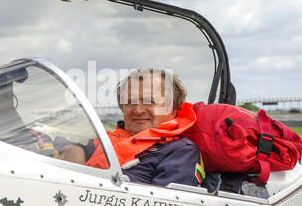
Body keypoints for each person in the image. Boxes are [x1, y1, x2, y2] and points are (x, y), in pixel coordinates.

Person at [59, 69, 204, 187]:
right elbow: (81, 149)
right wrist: (74, 151)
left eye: (149, 102)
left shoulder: (181, 151)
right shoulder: (108, 141)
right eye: (130, 102)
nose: (138, 110)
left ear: (172, 109)